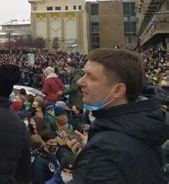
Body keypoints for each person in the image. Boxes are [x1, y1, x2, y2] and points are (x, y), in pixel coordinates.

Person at [68, 49, 169, 183]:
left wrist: (92, 159)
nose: (80, 81)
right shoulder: (142, 125)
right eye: (83, 74)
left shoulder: (105, 151)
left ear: (117, 90)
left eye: (91, 77)